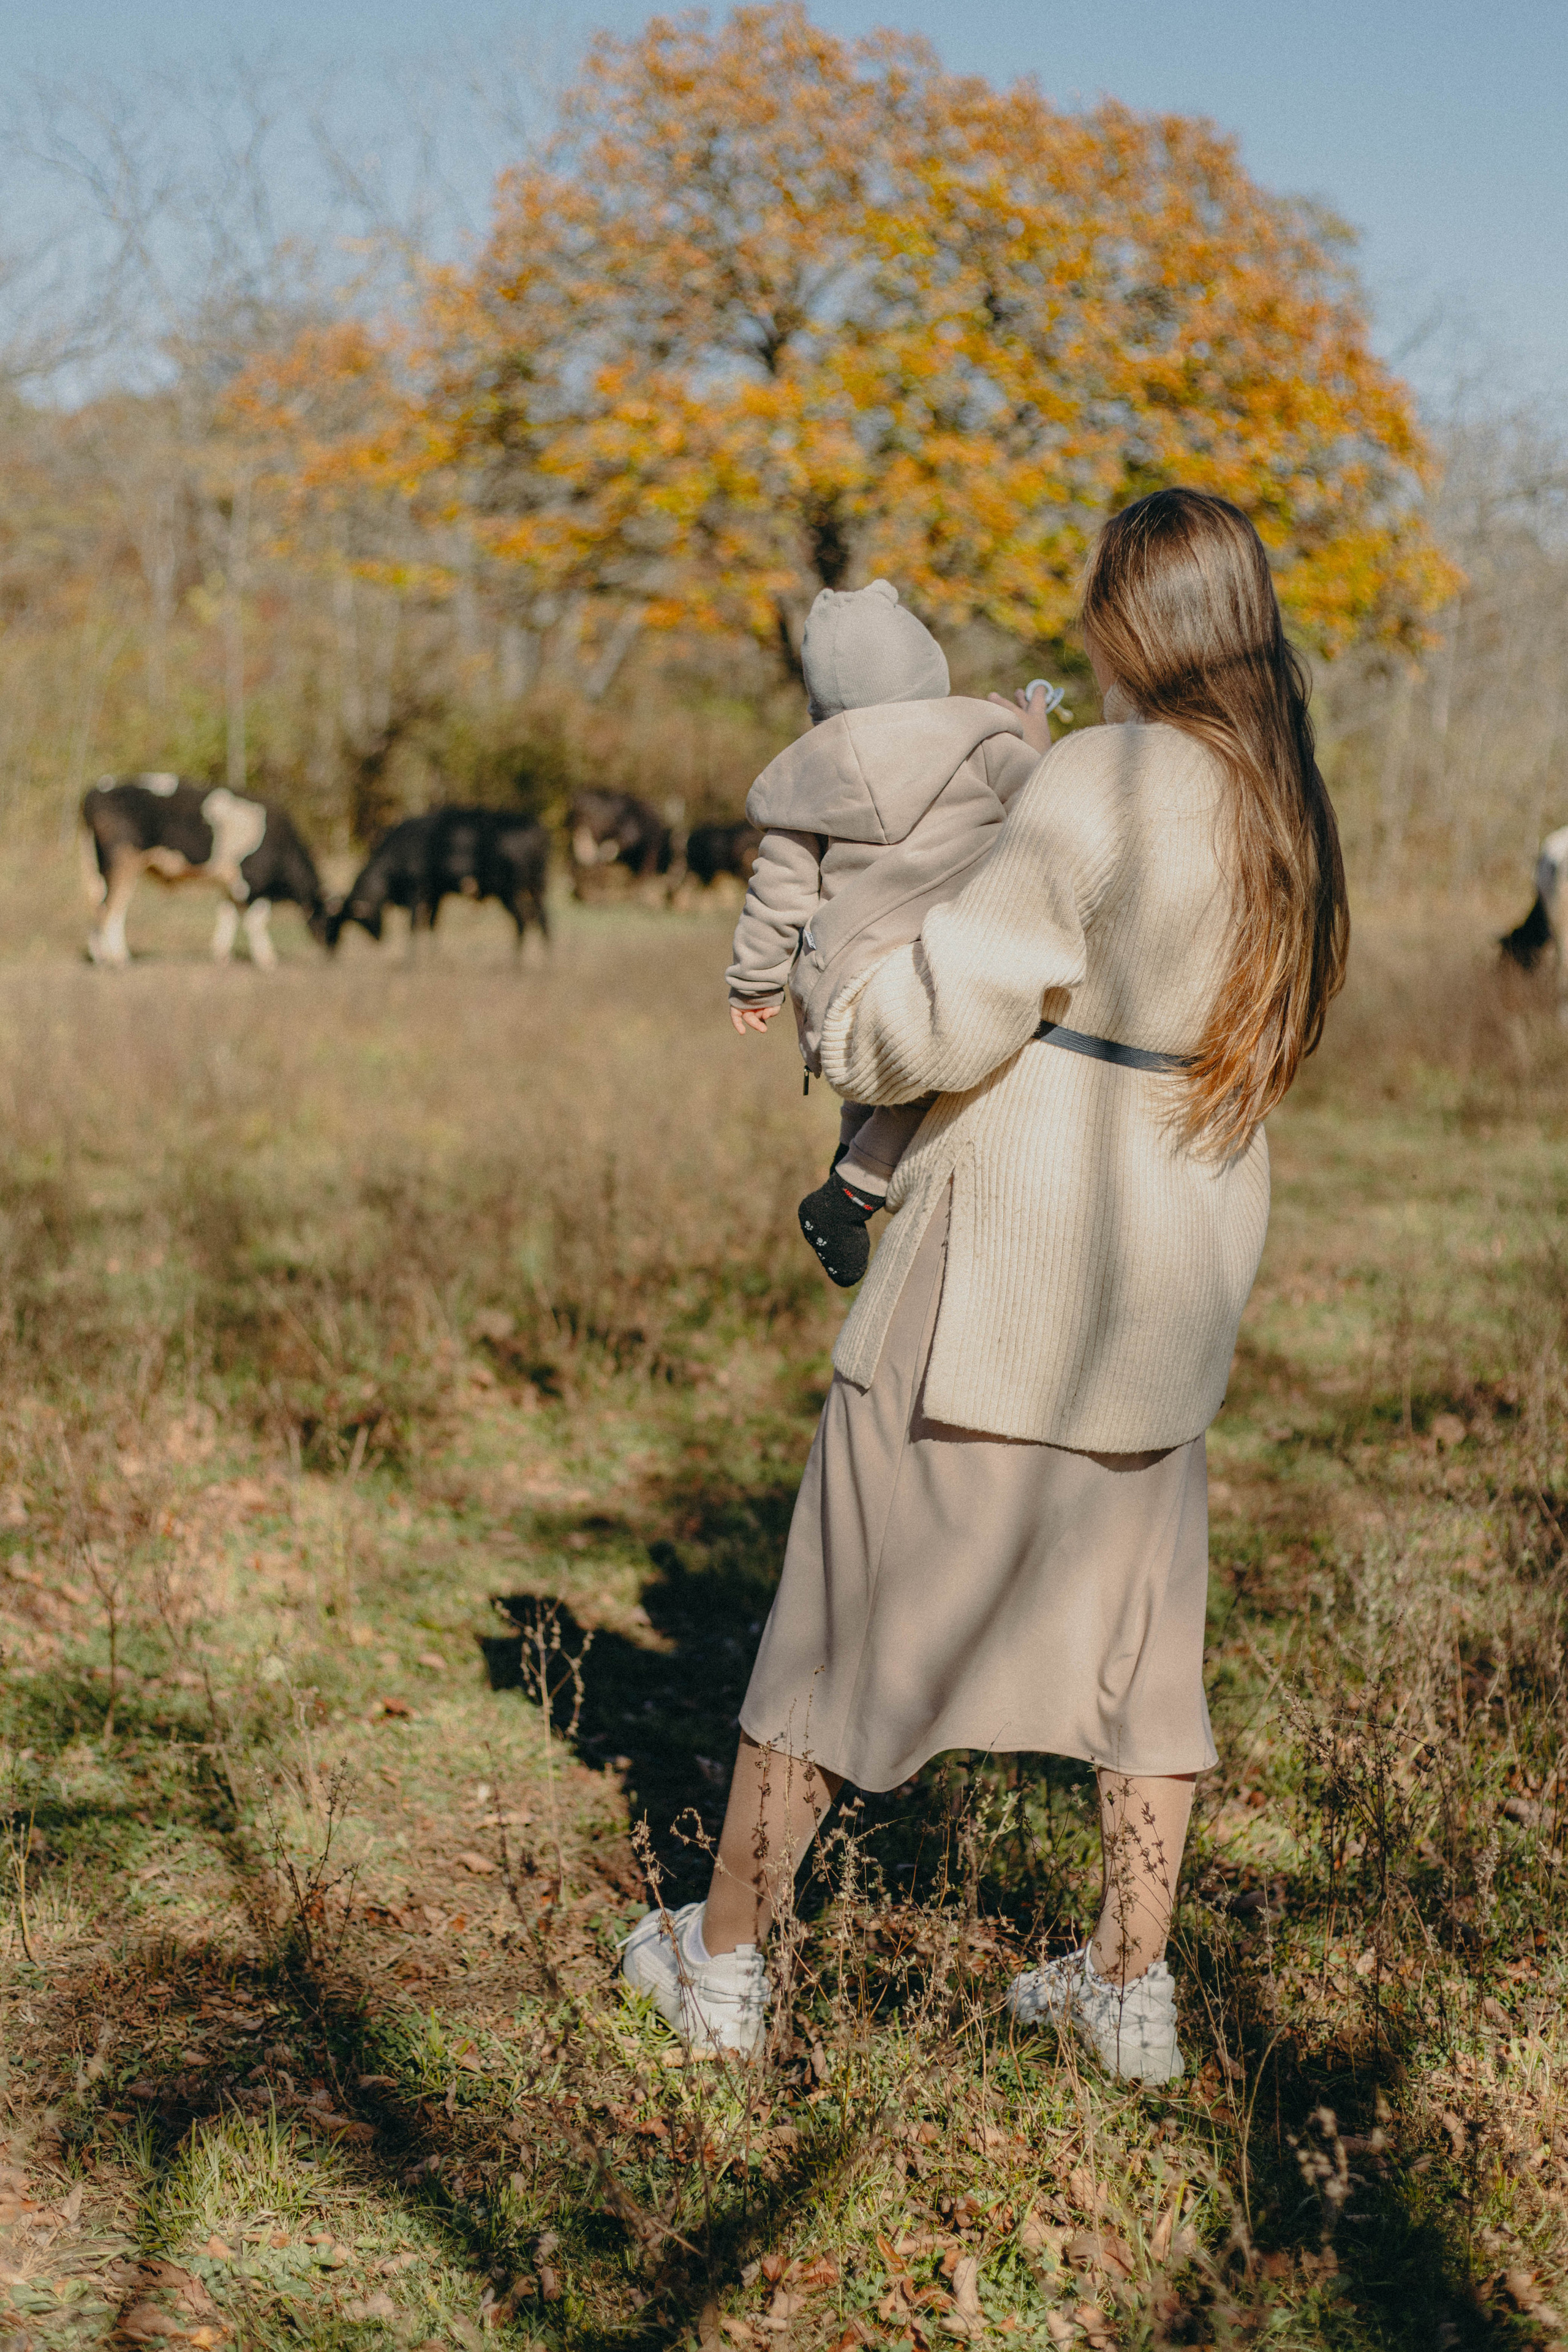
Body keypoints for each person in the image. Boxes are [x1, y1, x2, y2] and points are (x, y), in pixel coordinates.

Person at [623, 489, 1349, 2081]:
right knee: (1144, 1655)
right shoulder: (1283, 803)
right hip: (1177, 1270)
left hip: (1009, 1257)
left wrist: (832, 999)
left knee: (841, 1617)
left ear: (1130, 619)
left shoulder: (1104, 777)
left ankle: (724, 1966)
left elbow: (949, 1017)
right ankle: (1128, 1983)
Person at [722, 577, 1061, 1284]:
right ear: (924, 668)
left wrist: (753, 981)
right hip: (942, 967)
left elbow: (777, 891)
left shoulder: (804, 779)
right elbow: (1052, 817)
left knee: (875, 1078)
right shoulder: (980, 742)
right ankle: (851, 1191)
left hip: (846, 983)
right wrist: (1039, 741)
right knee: (942, 1070)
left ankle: (848, 1159)